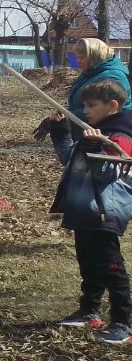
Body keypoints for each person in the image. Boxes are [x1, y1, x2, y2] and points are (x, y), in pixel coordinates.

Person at [50, 80, 132, 344]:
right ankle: (89, 310)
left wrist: (98, 148)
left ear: (112, 106)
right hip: (84, 207)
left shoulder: (120, 136)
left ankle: (123, 321)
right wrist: (61, 132)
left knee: (110, 265)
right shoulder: (94, 132)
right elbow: (69, 159)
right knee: (88, 262)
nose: (85, 110)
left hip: (105, 210)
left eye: (91, 105)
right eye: (84, 105)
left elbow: (109, 175)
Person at [51, 38, 132, 165]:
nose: (78, 61)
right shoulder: (90, 73)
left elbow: (106, 173)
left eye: (82, 57)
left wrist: (69, 119)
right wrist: (61, 131)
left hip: (103, 132)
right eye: (77, 57)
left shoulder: (113, 76)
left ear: (95, 55)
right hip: (88, 132)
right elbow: (71, 160)